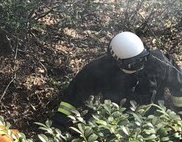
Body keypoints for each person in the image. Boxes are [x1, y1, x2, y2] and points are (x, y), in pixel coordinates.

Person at [53, 31, 182, 129]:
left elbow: (179, 87)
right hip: (116, 125)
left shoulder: (160, 62)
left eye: (141, 60)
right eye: (132, 64)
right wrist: (59, 124)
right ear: (116, 60)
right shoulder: (99, 69)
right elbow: (74, 95)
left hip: (154, 123)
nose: (139, 66)